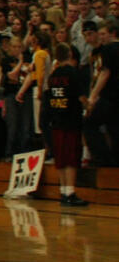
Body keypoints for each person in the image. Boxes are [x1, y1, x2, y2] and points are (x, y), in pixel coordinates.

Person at [42, 42, 88, 206]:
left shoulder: (53, 75)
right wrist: (88, 106)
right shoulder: (73, 73)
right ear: (69, 54)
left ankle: (63, 192)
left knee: (60, 158)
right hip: (71, 120)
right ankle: (70, 192)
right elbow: (81, 97)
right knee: (71, 159)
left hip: (56, 121)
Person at [83, 19, 119, 166]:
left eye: (104, 34)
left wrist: (92, 97)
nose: (101, 37)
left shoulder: (109, 49)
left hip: (109, 97)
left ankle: (103, 159)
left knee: (89, 124)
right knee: (114, 129)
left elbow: (105, 73)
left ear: (113, 34)